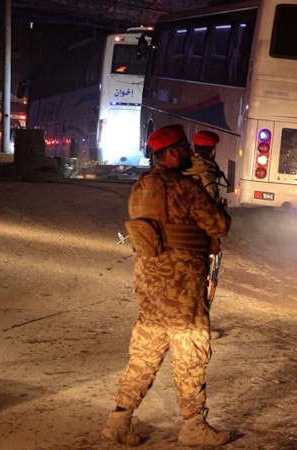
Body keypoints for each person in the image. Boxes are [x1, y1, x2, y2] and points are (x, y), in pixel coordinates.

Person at [102, 124, 232, 447]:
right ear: (171, 153)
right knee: (191, 355)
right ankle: (193, 426)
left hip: (149, 287)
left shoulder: (141, 187)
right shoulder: (184, 189)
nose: (190, 152)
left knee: (144, 354)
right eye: (185, 147)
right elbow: (217, 224)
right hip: (182, 288)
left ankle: (119, 420)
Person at [184, 130, 228, 339]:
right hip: (199, 237)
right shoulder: (206, 172)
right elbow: (210, 208)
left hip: (178, 234)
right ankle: (197, 328)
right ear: (213, 150)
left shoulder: (183, 168)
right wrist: (215, 235)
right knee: (203, 281)